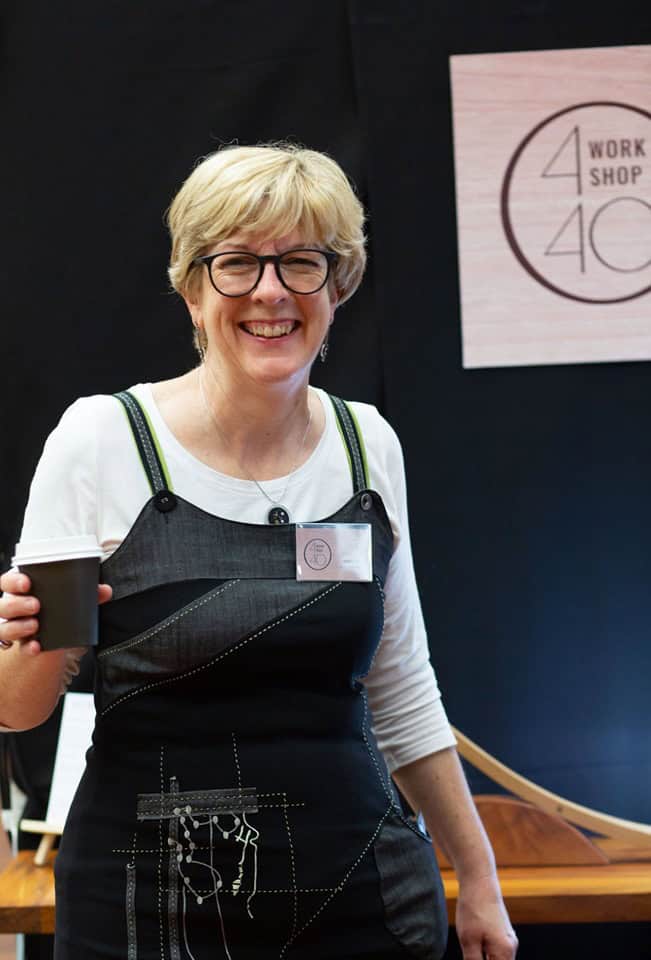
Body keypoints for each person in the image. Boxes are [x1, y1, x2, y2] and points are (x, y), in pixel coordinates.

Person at [0, 143, 517, 960]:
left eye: (301, 262)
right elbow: (18, 707)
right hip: (148, 903)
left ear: (337, 286)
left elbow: (401, 685)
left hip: (360, 894)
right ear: (192, 290)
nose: (270, 291)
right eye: (236, 263)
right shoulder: (101, 441)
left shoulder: (365, 446)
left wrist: (479, 876)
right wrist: (38, 639)